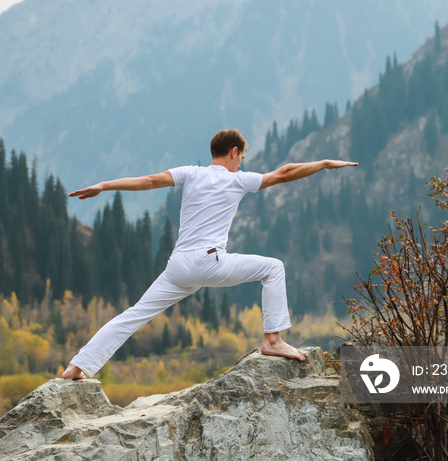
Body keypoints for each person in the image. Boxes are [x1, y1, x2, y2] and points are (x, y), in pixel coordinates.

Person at [63, 128, 358, 379]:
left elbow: (149, 181)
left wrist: (103, 185)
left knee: (134, 315)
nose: (241, 165)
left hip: (178, 266)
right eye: (241, 158)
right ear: (233, 151)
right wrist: (324, 163)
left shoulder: (190, 174)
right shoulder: (237, 180)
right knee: (274, 268)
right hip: (208, 261)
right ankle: (273, 340)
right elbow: (285, 173)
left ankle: (79, 365)